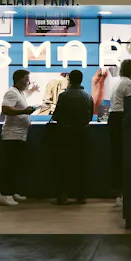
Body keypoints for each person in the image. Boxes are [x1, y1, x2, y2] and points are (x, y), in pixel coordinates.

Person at [50, 69, 94, 205]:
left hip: (65, 135)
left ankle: (62, 195)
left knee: (64, 165)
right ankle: (81, 196)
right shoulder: (88, 96)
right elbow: (90, 116)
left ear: (69, 80)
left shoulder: (64, 96)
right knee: (81, 165)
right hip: (83, 134)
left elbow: (56, 116)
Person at [0, 69, 38, 207]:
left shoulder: (19, 93)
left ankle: (11, 191)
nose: (28, 82)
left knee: (15, 166)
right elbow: (5, 109)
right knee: (10, 166)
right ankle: (4, 194)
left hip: (19, 136)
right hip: (12, 136)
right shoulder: (11, 92)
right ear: (20, 79)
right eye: (27, 79)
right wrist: (24, 111)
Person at [108, 59, 131, 206]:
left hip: (113, 118)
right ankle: (125, 192)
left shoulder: (118, 82)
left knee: (116, 155)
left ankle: (118, 192)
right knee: (125, 156)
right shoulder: (130, 84)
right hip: (122, 120)